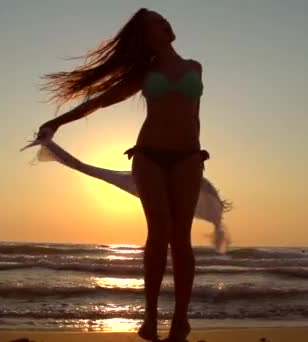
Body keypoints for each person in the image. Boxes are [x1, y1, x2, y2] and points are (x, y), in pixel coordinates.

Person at [36, 8, 207, 341]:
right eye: (157, 22)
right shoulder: (145, 72)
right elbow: (99, 101)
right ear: (146, 35)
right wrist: (57, 122)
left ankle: (181, 321)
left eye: (164, 18)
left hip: (188, 157)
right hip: (149, 156)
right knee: (159, 234)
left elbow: (194, 115)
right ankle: (151, 318)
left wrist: (198, 149)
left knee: (181, 239)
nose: (166, 23)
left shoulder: (194, 67)